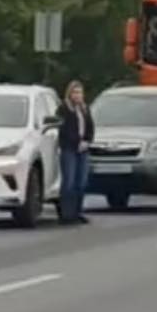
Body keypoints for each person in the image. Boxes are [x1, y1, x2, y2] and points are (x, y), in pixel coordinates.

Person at [57, 80, 94, 223]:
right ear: (69, 93)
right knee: (69, 182)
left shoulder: (85, 109)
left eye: (79, 92)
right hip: (69, 149)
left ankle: (78, 212)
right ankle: (66, 214)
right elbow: (64, 130)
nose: (77, 95)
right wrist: (76, 142)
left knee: (81, 182)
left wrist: (87, 140)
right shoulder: (64, 109)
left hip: (83, 149)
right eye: (75, 92)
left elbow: (90, 127)